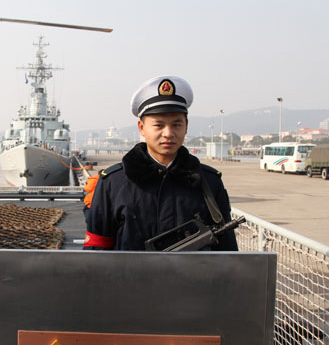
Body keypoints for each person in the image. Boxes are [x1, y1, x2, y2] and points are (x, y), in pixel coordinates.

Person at [84, 75, 238, 252]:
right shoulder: (113, 183)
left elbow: (227, 253)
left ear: (186, 126)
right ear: (141, 127)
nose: (168, 133)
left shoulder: (209, 183)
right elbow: (96, 253)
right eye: (158, 125)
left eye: (176, 124)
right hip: (128, 280)